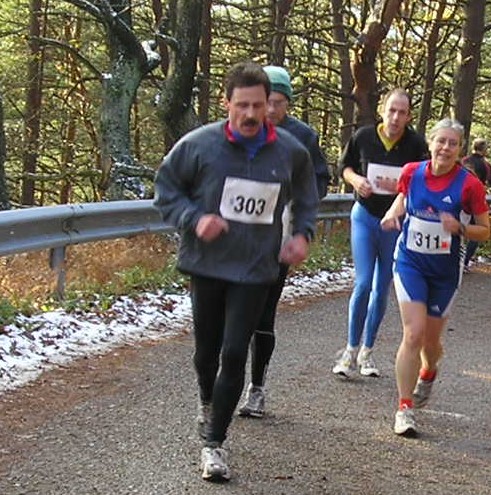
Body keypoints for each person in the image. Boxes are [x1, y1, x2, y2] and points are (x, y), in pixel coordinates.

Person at [153, 61, 319, 482]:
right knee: (206, 353)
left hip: (256, 268)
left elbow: (307, 195)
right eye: (241, 105)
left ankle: (214, 443)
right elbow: (166, 189)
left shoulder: (290, 151)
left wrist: (302, 234)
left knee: (233, 351)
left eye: (258, 106)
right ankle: (207, 399)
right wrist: (194, 218)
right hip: (207, 264)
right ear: (227, 104)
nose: (249, 114)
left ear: (269, 107)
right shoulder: (198, 145)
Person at [381, 118, 491, 437]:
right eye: (440, 141)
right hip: (410, 262)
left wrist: (460, 228)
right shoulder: (412, 171)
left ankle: (428, 371)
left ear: (460, 149)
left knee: (430, 341)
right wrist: (393, 213)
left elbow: (485, 231)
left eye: (452, 143)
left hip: (445, 272)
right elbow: (403, 196)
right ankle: (404, 408)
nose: (445, 148)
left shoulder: (469, 185)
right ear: (431, 143)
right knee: (413, 334)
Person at [237, 65, 330, 418]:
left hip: (280, 235)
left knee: (263, 311)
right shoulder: (242, 130)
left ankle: (256, 387)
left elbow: (320, 180)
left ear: (287, 103)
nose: (270, 110)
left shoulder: (302, 137)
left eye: (278, 102)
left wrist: (297, 195)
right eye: (266, 102)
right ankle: (227, 379)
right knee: (233, 313)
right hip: (239, 235)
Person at [332, 89, 429, 379]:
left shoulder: (415, 144)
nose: (396, 117)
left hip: (394, 225)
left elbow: (424, 179)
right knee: (362, 284)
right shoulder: (363, 136)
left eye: (402, 112)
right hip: (364, 217)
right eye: (392, 111)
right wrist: (356, 179)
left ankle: (367, 353)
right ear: (383, 111)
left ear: (409, 116)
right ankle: (349, 350)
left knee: (381, 287)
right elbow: (344, 167)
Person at [462, 138, 491, 271]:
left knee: (456, 229)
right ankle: (464, 262)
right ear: (484, 150)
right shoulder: (486, 165)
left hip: (459, 199)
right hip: (475, 202)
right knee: (476, 231)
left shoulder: (463, 161)